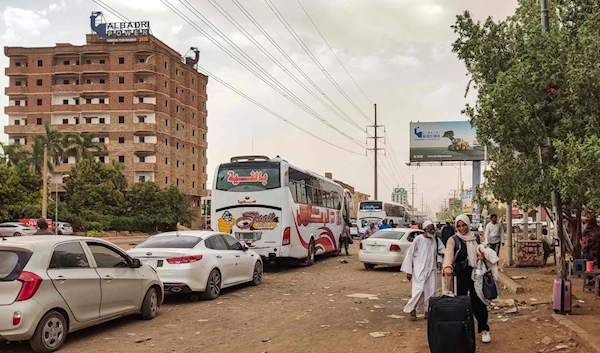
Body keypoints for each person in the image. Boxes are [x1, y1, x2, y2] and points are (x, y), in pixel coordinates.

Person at [442, 214, 491, 344]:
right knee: (460, 304)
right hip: (460, 275)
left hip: (476, 273)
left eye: (464, 225)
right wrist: (447, 266)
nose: (462, 228)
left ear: (468, 225)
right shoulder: (453, 240)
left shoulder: (476, 238)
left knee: (478, 302)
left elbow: (485, 251)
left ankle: (484, 329)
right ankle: (462, 332)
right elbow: (449, 255)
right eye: (459, 226)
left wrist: (483, 256)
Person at [401, 221, 445, 321]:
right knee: (419, 291)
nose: (432, 230)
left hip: (431, 269)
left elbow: (441, 251)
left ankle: (427, 311)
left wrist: (439, 261)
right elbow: (410, 255)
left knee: (431, 291)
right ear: (425, 229)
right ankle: (412, 309)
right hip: (419, 269)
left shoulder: (435, 240)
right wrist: (409, 271)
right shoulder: (418, 239)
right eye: (430, 228)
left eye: (433, 228)